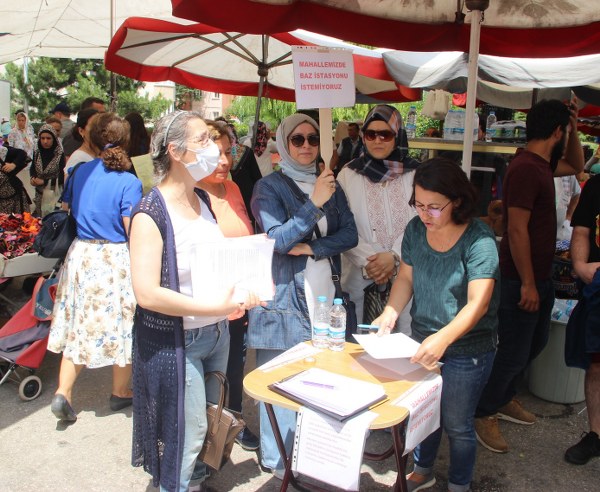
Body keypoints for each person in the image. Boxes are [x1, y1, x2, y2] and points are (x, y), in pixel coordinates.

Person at [128, 110, 263, 492]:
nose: (216, 148)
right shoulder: (149, 213)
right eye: (204, 140)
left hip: (217, 334)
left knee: (209, 425)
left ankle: (195, 484)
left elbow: (213, 263)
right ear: (175, 151)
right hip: (178, 341)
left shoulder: (203, 198)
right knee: (188, 434)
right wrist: (215, 308)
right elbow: (147, 293)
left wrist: (242, 290)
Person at [373, 157, 500, 492]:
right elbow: (406, 278)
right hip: (421, 339)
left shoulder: (479, 239)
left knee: (458, 424)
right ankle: (423, 469)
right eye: (418, 204)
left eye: (434, 207)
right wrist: (390, 311)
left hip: (468, 349)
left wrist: (443, 339)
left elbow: (479, 303)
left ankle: (459, 484)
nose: (424, 214)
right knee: (423, 413)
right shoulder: (416, 230)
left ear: (457, 201)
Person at [249, 113, 358, 478]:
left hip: (325, 292)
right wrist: (313, 203)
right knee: (281, 382)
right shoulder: (269, 188)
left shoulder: (330, 184)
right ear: (284, 143)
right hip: (285, 298)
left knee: (317, 379)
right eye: (298, 140)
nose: (308, 146)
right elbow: (277, 241)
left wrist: (312, 249)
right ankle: (279, 465)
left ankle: (309, 455)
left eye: (313, 139)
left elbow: (350, 236)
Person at [475, 98, 584, 453]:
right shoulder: (525, 168)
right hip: (519, 279)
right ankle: (483, 411)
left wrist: (574, 125)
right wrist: (527, 283)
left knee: (533, 344)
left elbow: (577, 165)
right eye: (564, 131)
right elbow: (516, 230)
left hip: (539, 275)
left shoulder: (541, 164)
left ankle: (503, 397)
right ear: (556, 131)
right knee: (513, 351)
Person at [47, 112, 143, 423]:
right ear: (126, 141)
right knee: (123, 324)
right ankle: (120, 392)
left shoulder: (79, 172)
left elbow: (68, 210)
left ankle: (64, 391)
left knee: (79, 324)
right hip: (113, 258)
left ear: (93, 139)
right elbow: (132, 230)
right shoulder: (129, 181)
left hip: (81, 254)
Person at [198, 120, 259, 451]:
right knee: (208, 377)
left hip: (239, 304)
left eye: (228, 152)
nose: (224, 161)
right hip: (205, 308)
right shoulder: (191, 195)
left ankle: (230, 425)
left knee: (234, 370)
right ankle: (206, 444)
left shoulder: (233, 188)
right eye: (215, 153)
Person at [337, 104, 419, 330]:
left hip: (407, 274)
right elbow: (342, 225)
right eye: (371, 134)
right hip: (360, 275)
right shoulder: (347, 175)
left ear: (398, 136)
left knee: (404, 346)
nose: (377, 140)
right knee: (361, 347)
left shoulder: (416, 174)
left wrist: (393, 257)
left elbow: (422, 221)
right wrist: (372, 262)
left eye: (386, 134)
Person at [563, 171, 600, 466]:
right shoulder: (597, 186)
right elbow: (582, 231)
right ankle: (595, 435)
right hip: (598, 287)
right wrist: (580, 264)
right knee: (597, 364)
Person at [215, 117, 262, 226]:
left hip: (245, 198)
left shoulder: (246, 152)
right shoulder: (245, 151)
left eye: (228, 153)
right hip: (248, 196)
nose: (225, 161)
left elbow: (258, 180)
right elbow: (257, 179)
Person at [29, 124, 65, 216]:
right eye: (42, 138)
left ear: (54, 139)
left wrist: (45, 182)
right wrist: (32, 178)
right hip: (39, 194)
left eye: (48, 138)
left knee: (52, 219)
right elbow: (33, 168)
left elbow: (62, 177)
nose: (45, 141)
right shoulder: (37, 153)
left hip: (54, 194)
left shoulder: (59, 154)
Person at [63, 108, 100, 177]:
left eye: (100, 125)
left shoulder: (99, 155)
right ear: (81, 131)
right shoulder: (78, 159)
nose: (98, 130)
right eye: (93, 126)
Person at [0, 145, 32, 214]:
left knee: (19, 222)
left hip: (15, 197)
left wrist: (13, 164)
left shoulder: (2, 151)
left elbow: (22, 153)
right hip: (2, 201)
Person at [554, 174, 580, 241]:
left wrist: (568, 216)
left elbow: (577, 194)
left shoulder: (567, 174)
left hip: (560, 237)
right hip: (537, 236)